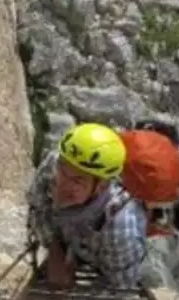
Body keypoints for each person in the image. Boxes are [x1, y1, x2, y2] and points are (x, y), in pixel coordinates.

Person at [27, 122, 147, 290]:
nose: (63, 185)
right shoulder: (53, 165)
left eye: (77, 180)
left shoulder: (119, 224)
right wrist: (55, 249)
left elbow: (121, 282)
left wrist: (78, 288)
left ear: (102, 186)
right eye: (63, 171)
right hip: (74, 235)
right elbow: (37, 208)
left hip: (104, 253)